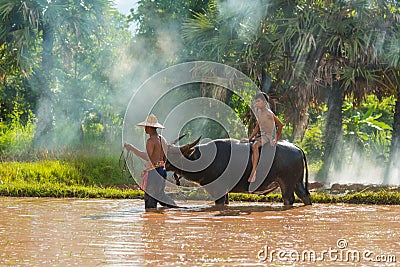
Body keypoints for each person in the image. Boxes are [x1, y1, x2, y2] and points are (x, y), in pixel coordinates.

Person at [124, 114, 177, 210]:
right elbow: (165, 158)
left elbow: (146, 156)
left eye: (146, 127)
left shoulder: (150, 141)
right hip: (162, 170)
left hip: (153, 174)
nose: (145, 129)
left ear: (149, 128)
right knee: (160, 196)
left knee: (150, 203)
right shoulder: (162, 139)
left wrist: (132, 148)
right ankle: (176, 208)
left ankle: (151, 223)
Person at [248, 92, 283, 183]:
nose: (256, 103)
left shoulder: (269, 113)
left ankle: (254, 171)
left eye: (258, 101)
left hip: (267, 136)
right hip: (260, 135)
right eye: (256, 102)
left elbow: (280, 125)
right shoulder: (259, 112)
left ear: (264, 102)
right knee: (246, 143)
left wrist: (276, 139)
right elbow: (257, 127)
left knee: (255, 146)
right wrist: (250, 138)